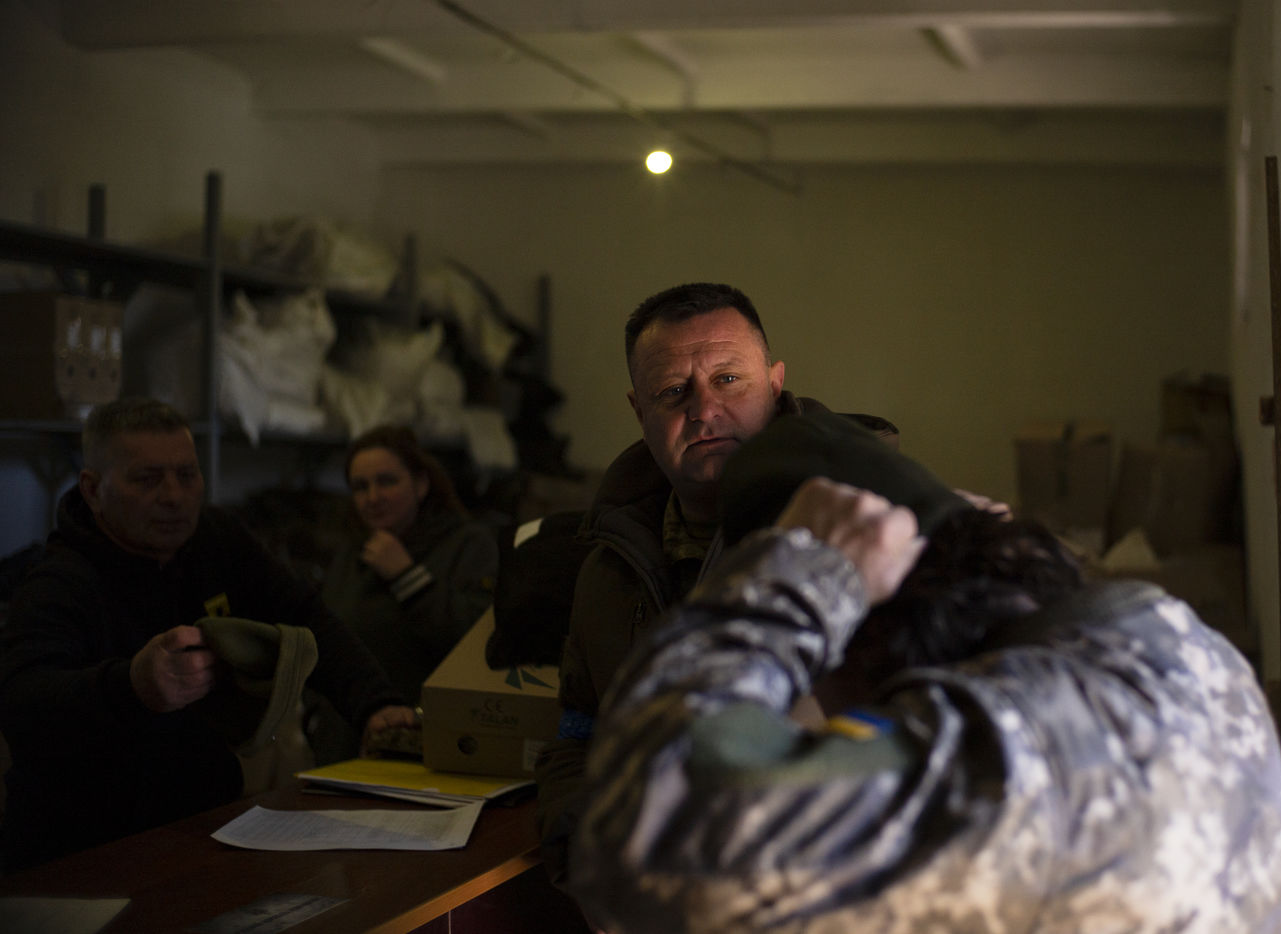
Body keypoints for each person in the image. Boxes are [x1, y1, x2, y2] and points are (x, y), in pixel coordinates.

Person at [568, 412, 1281, 933]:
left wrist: (801, 580)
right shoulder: (1176, 643)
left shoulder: (1017, 748)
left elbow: (647, 835)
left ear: (867, 639)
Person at [532, 282, 898, 883]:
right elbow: (579, 735)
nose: (703, 410)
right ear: (639, 410)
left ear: (775, 385)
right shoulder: (609, 568)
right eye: (673, 391)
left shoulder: (870, 532)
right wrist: (585, 845)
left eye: (728, 380)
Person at [0, 397, 417, 871]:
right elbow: (22, 705)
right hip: (82, 853)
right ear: (94, 490)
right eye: (147, 479)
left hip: (200, 830)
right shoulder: (59, 584)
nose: (174, 496)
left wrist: (374, 704)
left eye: (187, 474)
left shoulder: (216, 540)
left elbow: (306, 615)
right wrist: (131, 685)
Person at [308, 425, 498, 763]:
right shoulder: (352, 551)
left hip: (427, 748)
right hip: (343, 748)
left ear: (420, 484)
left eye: (387, 481)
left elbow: (478, 643)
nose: (373, 497)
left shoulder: (467, 545)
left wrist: (407, 577)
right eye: (360, 487)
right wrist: (313, 717)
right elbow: (323, 638)